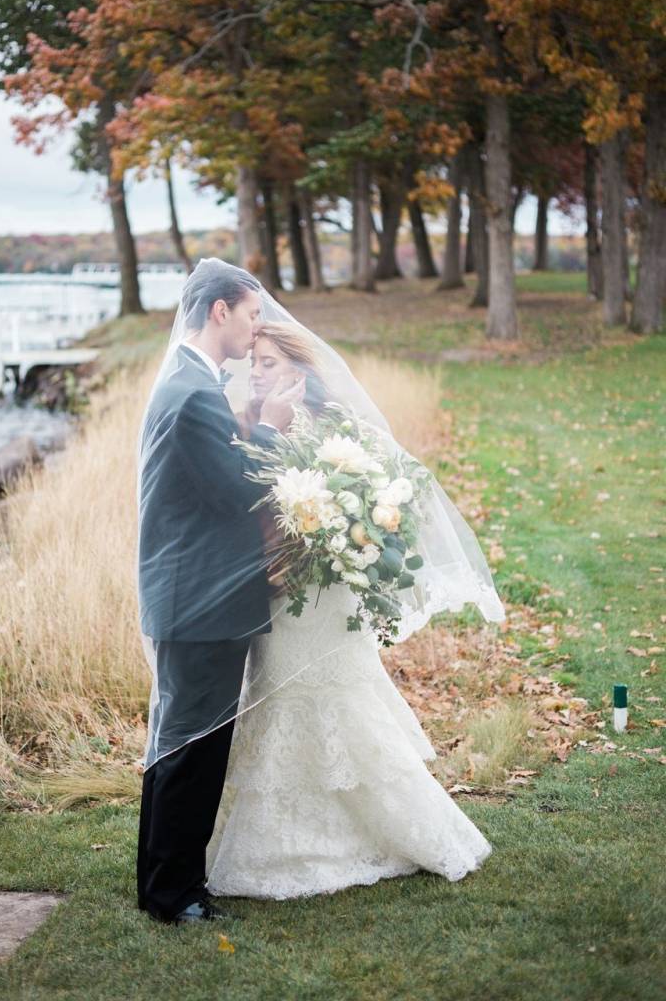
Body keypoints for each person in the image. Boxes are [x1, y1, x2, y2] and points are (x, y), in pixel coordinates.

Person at [206, 322, 500, 898]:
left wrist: (346, 537)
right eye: (254, 363)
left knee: (341, 695)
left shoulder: (341, 428)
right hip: (278, 593)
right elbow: (238, 503)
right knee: (283, 698)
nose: (257, 372)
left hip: (326, 592)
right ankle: (288, 843)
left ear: (297, 369)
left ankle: (399, 829)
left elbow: (384, 495)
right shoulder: (248, 423)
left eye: (268, 362)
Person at [135, 261, 304, 926]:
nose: (259, 326)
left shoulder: (191, 381)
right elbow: (237, 488)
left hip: (192, 596)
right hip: (198, 600)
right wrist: (270, 426)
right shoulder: (192, 393)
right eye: (253, 313)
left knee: (179, 744)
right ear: (220, 312)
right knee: (193, 749)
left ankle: (164, 885)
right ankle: (175, 895)